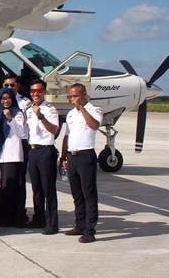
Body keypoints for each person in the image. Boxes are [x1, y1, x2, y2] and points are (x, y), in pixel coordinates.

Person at [60, 83, 102, 243]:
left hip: (86, 155)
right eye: (70, 96)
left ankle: (90, 230)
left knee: (88, 194)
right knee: (77, 194)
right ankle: (79, 224)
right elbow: (67, 136)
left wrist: (82, 109)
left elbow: (94, 125)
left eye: (76, 95)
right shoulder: (70, 114)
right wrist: (63, 156)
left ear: (84, 95)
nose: (73, 99)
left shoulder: (94, 109)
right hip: (72, 155)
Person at [25, 79, 60, 235]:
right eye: (33, 91)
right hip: (33, 151)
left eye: (38, 91)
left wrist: (41, 117)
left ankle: (52, 222)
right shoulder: (28, 109)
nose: (36, 94)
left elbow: (53, 130)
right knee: (36, 188)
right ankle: (39, 218)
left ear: (44, 92)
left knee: (48, 189)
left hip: (46, 150)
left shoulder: (50, 109)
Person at [0, 87, 27, 227]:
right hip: (2, 155)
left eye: (8, 98)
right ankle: (4, 216)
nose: (5, 101)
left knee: (12, 189)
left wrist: (10, 119)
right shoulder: (0, 114)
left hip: (13, 155)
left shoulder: (17, 113)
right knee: (4, 188)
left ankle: (15, 217)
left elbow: (22, 134)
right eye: (2, 99)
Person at [2, 74, 31, 223]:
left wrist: (10, 119)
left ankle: (19, 213)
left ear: (17, 85)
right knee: (6, 184)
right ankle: (7, 214)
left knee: (18, 183)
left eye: (12, 85)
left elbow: (23, 130)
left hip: (19, 145)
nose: (9, 88)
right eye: (6, 85)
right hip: (3, 149)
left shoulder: (25, 103)